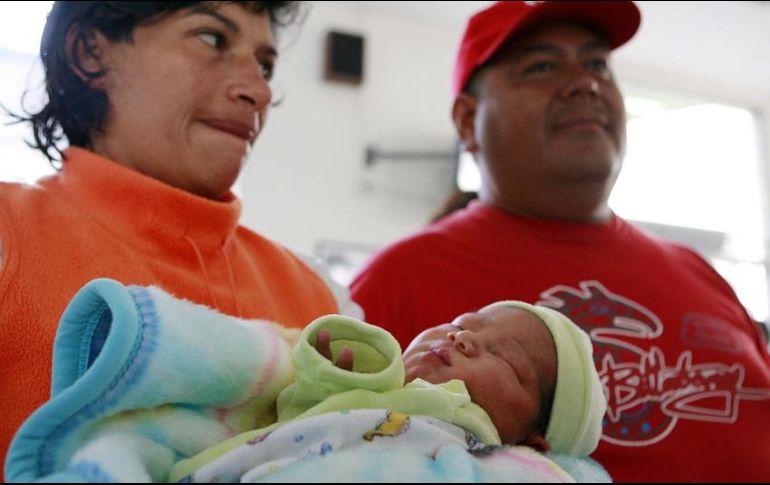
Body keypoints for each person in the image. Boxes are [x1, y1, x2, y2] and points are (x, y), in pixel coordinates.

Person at [350, 1, 770, 482]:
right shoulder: (400, 278)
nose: (584, 82)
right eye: (542, 66)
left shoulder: (700, 272)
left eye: (597, 65)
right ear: (468, 121)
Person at [0, 1, 357, 473]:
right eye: (211, 39)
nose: (258, 91)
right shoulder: (10, 235)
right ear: (90, 51)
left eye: (265, 65)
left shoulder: (323, 297)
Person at [5, 277, 605, 482]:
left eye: (504, 358)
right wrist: (332, 363)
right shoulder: (382, 379)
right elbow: (296, 403)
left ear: (533, 441)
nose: (462, 338)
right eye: (460, 324)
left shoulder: (496, 455)